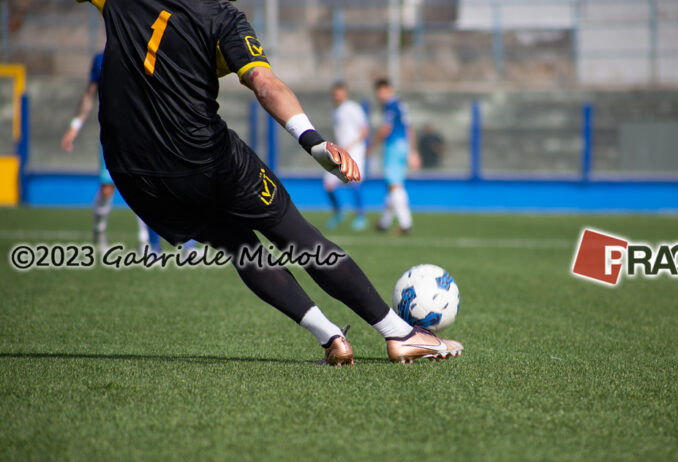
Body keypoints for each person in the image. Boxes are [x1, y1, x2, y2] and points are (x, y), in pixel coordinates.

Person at [76, 0, 462, 365]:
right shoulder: (221, 18)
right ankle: (399, 333)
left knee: (235, 243)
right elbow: (263, 82)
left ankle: (331, 337)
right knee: (297, 235)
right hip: (204, 158)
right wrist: (312, 140)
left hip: (135, 174)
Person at [61, 52, 161, 254]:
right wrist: (75, 125)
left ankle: (145, 244)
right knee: (107, 188)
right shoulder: (101, 59)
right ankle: (99, 231)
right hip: (112, 135)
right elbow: (90, 93)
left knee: (143, 188)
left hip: (140, 135)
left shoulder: (143, 53)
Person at [368, 78, 419, 235]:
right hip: (402, 146)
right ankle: (385, 222)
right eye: (378, 91)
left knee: (395, 185)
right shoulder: (401, 105)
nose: (380, 94)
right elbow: (409, 128)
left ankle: (406, 224)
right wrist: (412, 151)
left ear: (389, 90)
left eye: (382, 90)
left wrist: (371, 146)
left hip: (394, 147)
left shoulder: (390, 105)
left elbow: (386, 129)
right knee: (392, 185)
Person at [325, 82, 368, 231]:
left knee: (354, 180)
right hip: (341, 152)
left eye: (340, 93)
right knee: (328, 184)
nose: (338, 96)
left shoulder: (352, 108)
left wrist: (351, 145)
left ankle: (360, 216)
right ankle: (338, 213)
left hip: (355, 151)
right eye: (335, 93)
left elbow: (364, 130)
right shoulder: (334, 111)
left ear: (345, 93)